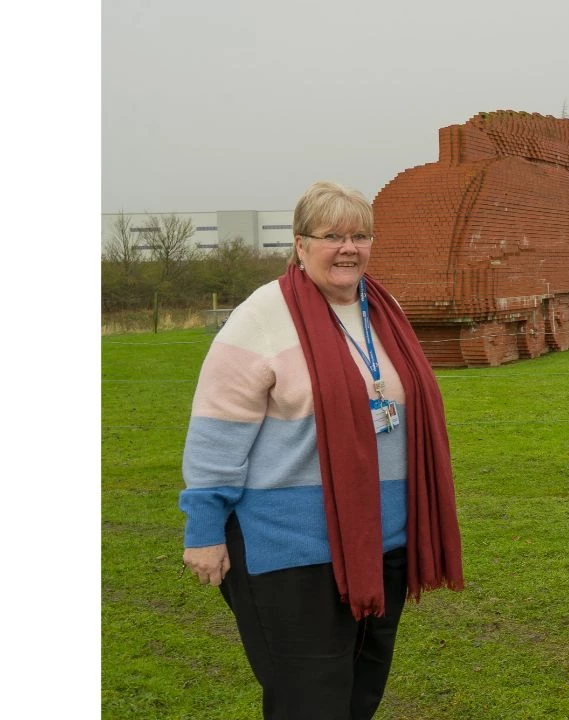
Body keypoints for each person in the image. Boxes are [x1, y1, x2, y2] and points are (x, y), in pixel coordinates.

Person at [180, 180, 464, 718]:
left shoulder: (384, 309)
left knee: (360, 695)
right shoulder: (262, 317)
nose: (349, 248)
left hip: (384, 544)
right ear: (300, 243)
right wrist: (204, 529)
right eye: (332, 235)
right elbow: (217, 431)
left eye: (361, 235)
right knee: (308, 702)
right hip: (289, 548)